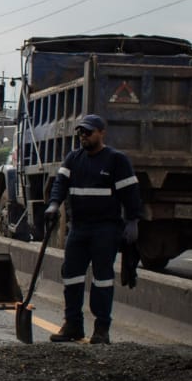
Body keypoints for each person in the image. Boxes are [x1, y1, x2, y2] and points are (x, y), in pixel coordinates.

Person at [43, 114, 141, 344]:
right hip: (79, 228)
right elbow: (60, 184)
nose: (83, 136)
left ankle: (101, 329)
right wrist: (54, 204)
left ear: (101, 133)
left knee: (102, 279)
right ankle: (73, 325)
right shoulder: (73, 159)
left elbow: (130, 194)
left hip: (105, 229)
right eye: (81, 132)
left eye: (88, 132)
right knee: (71, 276)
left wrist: (133, 221)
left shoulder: (116, 160)